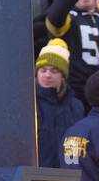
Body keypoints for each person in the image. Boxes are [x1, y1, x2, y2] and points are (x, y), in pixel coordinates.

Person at [34, 38, 84, 168]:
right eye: (43, 70)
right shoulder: (27, 104)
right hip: (34, 178)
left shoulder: (76, 107)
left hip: (68, 179)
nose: (47, 75)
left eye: (54, 71)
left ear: (63, 76)